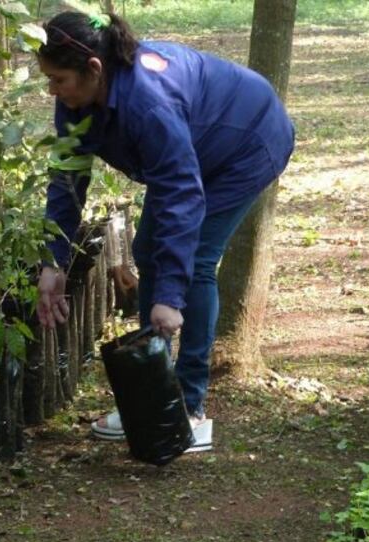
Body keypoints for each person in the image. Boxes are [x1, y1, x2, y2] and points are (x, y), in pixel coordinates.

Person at [35, 11, 294, 452]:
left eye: (58, 80)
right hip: (194, 148)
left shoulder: (147, 103)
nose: (52, 91)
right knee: (148, 247)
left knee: (193, 264)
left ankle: (188, 410)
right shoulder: (77, 101)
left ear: (93, 70)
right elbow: (66, 179)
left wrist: (169, 298)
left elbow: (181, 195)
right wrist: (53, 261)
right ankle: (155, 397)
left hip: (246, 144)